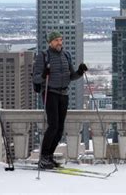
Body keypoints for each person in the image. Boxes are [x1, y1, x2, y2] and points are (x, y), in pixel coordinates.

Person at [33, 31, 88, 169]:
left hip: (64, 94)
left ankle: (49, 156)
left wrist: (80, 72)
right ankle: (44, 157)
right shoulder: (43, 56)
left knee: (60, 128)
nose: (59, 42)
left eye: (60, 40)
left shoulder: (66, 55)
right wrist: (44, 74)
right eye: (57, 40)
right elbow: (35, 78)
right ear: (50, 42)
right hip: (50, 93)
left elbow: (71, 76)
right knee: (53, 126)